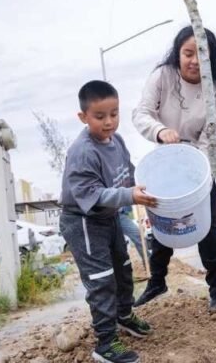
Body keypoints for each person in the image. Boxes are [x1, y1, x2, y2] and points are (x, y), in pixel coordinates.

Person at [132, 26, 216, 312]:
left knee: (210, 225)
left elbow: (212, 137)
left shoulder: (215, 90)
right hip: (164, 161)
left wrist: (195, 168)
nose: (193, 61)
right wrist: (160, 130)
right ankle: (157, 280)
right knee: (161, 217)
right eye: (188, 53)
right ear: (178, 53)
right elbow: (141, 113)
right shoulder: (163, 76)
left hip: (200, 164)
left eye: (201, 55)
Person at [59, 80, 154, 363]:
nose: (109, 122)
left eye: (114, 114)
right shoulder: (82, 151)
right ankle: (106, 342)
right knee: (101, 280)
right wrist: (129, 195)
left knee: (123, 270)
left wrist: (144, 187)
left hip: (109, 217)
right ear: (83, 117)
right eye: (100, 117)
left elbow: (128, 173)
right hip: (84, 221)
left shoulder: (117, 141)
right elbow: (90, 194)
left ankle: (124, 316)